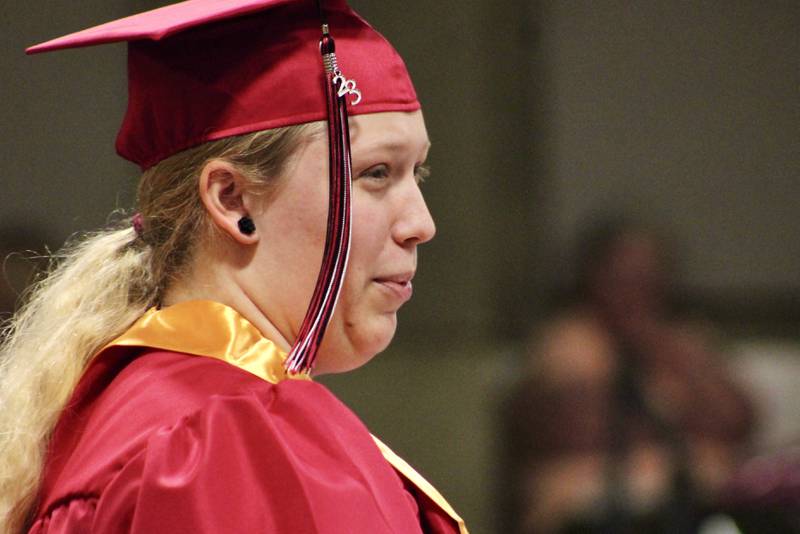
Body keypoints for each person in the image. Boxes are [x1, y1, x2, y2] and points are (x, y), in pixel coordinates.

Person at [0, 1, 468, 533]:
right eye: (376, 173)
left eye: (417, 174)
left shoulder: (133, 411)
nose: (420, 224)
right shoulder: (223, 442)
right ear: (233, 200)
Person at [503, 217, 754, 534]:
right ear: (592, 277)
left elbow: (738, 422)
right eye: (620, 275)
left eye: (646, 275)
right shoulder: (564, 343)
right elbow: (570, 435)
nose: (634, 287)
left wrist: (673, 359)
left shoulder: (685, 340)